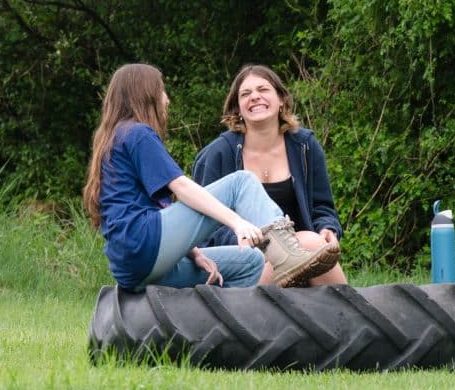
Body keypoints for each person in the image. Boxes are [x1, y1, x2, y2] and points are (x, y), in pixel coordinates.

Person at [82, 63, 339, 291]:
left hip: (132, 271)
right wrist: (238, 223)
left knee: (252, 263)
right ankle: (284, 251)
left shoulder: (116, 137)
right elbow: (181, 187)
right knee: (242, 181)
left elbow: (156, 208)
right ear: (144, 94)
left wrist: (193, 252)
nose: (167, 100)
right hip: (143, 247)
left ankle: (247, 330)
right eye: (161, 91)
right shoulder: (137, 133)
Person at [193, 64, 348, 286]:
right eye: (245, 94)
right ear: (237, 108)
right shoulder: (218, 154)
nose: (255, 97)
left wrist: (327, 229)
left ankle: (346, 315)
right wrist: (245, 239)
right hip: (245, 260)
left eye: (263, 89)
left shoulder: (305, 146)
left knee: (315, 243)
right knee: (311, 244)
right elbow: (204, 228)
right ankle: (354, 318)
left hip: (301, 254)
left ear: (281, 99)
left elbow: (323, 207)